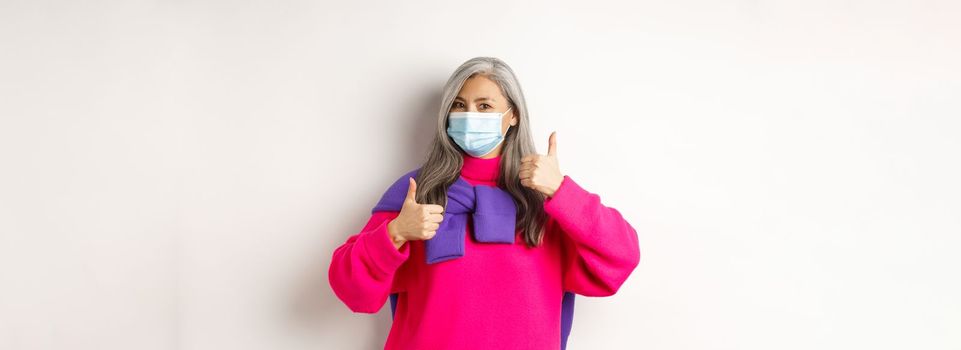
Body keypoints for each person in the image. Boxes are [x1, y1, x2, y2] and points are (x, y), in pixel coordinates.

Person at [328, 56, 641, 349]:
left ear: (513, 114)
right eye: (460, 105)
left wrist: (562, 191)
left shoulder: (544, 197)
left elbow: (621, 258)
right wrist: (395, 232)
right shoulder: (415, 192)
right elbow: (350, 290)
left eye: (485, 106)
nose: (469, 116)